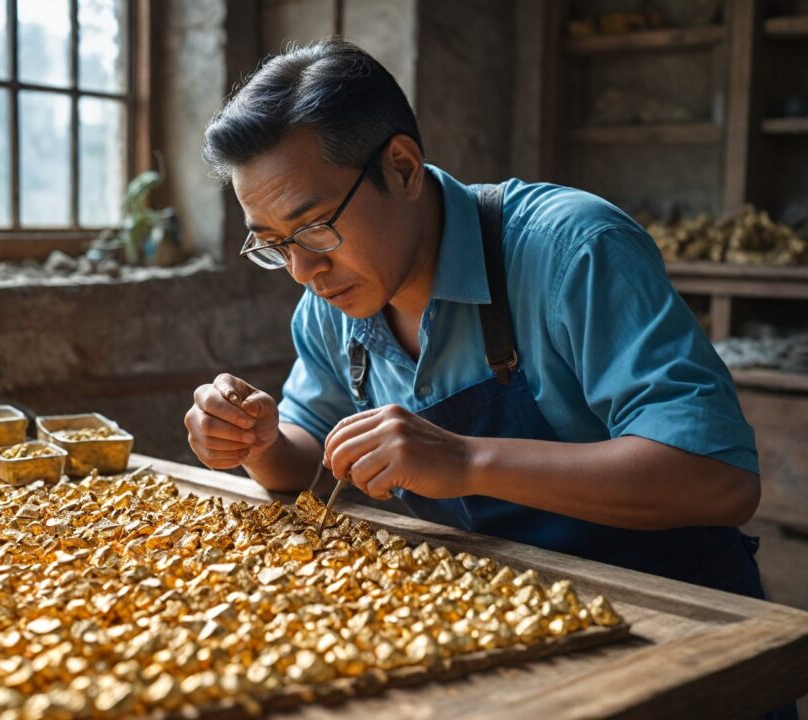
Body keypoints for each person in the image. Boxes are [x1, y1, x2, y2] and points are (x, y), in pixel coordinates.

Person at [185, 40, 766, 601]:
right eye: (274, 245)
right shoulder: (330, 301)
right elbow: (306, 459)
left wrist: (466, 461)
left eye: (313, 226)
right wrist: (256, 443)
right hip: (506, 613)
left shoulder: (573, 250)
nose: (303, 268)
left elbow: (718, 478)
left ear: (404, 169)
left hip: (676, 611)